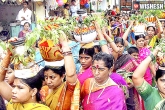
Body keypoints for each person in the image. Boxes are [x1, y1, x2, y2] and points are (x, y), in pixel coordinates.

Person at [40, 31, 80, 110]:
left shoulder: (67, 89)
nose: (48, 81)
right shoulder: (43, 90)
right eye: (46, 77)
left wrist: (65, 45)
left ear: (63, 76)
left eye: (52, 77)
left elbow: (71, 74)